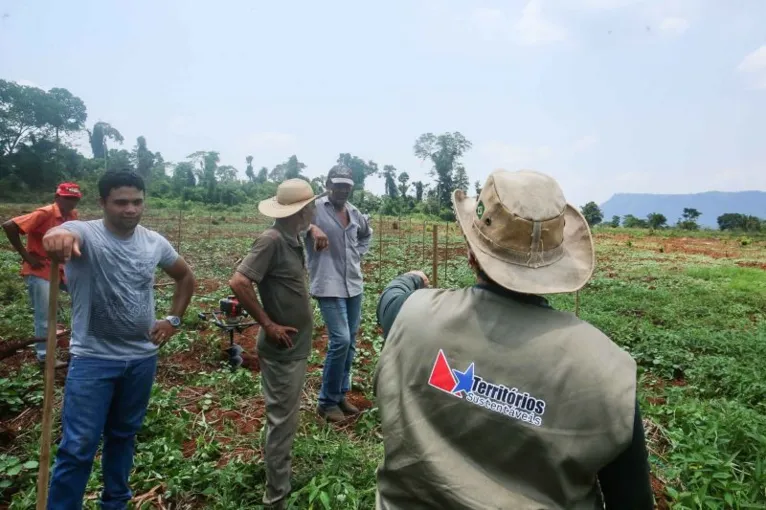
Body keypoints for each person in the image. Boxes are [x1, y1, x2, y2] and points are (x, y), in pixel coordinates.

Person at [373, 169, 654, 509]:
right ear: (558, 264)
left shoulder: (412, 316)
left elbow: (390, 299)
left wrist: (412, 279)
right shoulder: (609, 374)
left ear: (471, 252)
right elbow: (632, 500)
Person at [42, 170, 196, 510]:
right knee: (78, 445)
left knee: (123, 437)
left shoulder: (154, 242)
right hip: (92, 359)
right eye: (121, 202)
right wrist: (57, 236)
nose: (131, 209)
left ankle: (115, 503)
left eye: (137, 202)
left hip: (141, 358)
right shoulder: (86, 232)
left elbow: (185, 277)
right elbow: (61, 231)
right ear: (103, 203)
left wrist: (173, 319)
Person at [228, 179, 323, 509]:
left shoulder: (292, 236)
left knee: (284, 420)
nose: (314, 209)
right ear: (301, 210)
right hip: (283, 350)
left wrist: (312, 232)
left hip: (294, 349)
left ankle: (277, 479)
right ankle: (276, 499)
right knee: (282, 424)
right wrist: (267, 323)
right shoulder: (271, 240)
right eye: (311, 205)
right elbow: (239, 281)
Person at [304, 164, 373, 423]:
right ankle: (326, 402)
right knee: (341, 340)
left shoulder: (354, 213)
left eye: (347, 185)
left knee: (351, 342)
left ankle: (340, 394)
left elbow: (367, 234)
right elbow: (294, 223)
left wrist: (357, 254)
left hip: (353, 284)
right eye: (338, 184)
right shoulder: (314, 209)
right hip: (328, 283)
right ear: (328, 184)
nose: (342, 189)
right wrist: (312, 229)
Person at [2, 182, 82, 367]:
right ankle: (45, 357)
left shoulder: (72, 215)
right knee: (45, 314)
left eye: (75, 200)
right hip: (41, 269)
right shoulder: (45, 213)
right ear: (57, 198)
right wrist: (26, 255)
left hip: (62, 268)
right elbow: (9, 226)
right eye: (68, 199)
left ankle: (77, 344)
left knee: (84, 296)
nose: (71, 203)